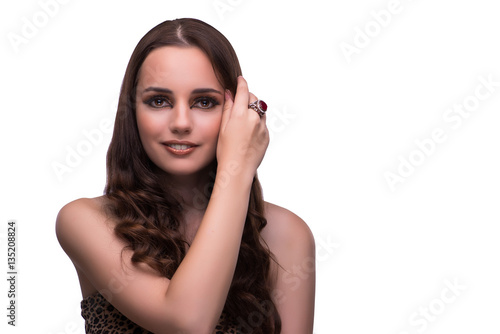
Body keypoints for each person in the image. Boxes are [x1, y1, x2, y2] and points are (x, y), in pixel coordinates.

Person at [56, 18, 315, 334]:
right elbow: (187, 323)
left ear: (235, 111)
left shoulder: (286, 236)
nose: (181, 122)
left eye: (204, 102)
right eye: (159, 101)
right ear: (132, 111)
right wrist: (237, 169)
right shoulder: (85, 220)